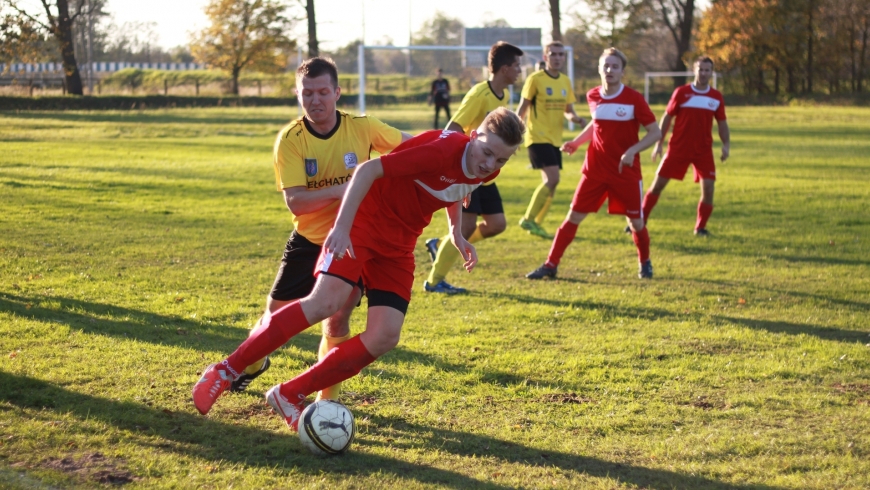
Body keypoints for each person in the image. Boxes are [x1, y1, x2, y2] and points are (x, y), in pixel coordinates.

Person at [192, 108, 525, 430]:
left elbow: (457, 185)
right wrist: (341, 226)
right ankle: (225, 370)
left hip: (399, 243)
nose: (490, 164)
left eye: (501, 160)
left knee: (384, 336)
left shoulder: (487, 167)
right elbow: (367, 170)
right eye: (487, 152)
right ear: (473, 136)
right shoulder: (441, 150)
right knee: (326, 302)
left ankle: (289, 393)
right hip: (365, 222)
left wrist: (455, 232)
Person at [228, 57, 411, 403]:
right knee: (274, 318)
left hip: (354, 239)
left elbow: (415, 147)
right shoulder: (291, 140)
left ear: (337, 92)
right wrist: (349, 187)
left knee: (339, 314)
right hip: (310, 239)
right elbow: (296, 202)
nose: (316, 100)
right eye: (307, 93)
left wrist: (455, 153)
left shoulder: (363, 127)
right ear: (298, 95)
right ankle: (251, 365)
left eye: (323, 91)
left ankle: (326, 400)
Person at [526, 48, 661, 280]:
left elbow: (655, 133)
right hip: (595, 171)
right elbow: (596, 125)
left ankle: (645, 262)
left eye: (614, 66)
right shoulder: (593, 96)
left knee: (636, 222)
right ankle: (551, 264)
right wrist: (577, 142)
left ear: (622, 71)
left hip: (625, 173)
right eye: (606, 66)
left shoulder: (634, 99)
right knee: (573, 217)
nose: (610, 70)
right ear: (599, 69)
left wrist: (632, 150)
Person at [422, 41, 525, 294]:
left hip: (486, 175)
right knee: (465, 227)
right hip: (469, 171)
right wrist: (456, 168)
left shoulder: (503, 95)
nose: (519, 71)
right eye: (516, 66)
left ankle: (443, 245)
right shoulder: (480, 94)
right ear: (503, 69)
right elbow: (453, 128)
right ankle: (434, 282)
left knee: (497, 225)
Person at [643, 56, 730, 236]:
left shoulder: (716, 97)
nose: (704, 73)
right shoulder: (682, 93)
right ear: (694, 71)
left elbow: (722, 123)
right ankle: (639, 222)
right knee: (658, 185)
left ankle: (700, 228)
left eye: (707, 70)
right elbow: (667, 117)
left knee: (709, 189)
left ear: (711, 72)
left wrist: (726, 145)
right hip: (678, 148)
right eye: (701, 69)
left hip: (703, 151)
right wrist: (659, 144)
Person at [516, 41, 587, 239]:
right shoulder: (535, 79)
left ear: (564, 58)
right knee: (553, 179)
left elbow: (568, 112)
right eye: (553, 54)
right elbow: (522, 108)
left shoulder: (565, 81)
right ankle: (528, 218)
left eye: (560, 55)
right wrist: (513, 134)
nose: (557, 58)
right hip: (537, 136)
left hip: (555, 139)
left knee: (551, 184)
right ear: (545, 57)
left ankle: (536, 224)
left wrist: (577, 119)